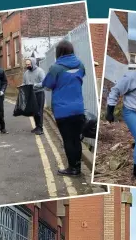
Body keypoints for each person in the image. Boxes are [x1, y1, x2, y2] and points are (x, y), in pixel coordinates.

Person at [42, 40, 87, 177]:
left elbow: (48, 85)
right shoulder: (80, 64)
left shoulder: (56, 68)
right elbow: (81, 76)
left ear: (59, 52)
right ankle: (77, 167)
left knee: (68, 139)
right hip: (78, 108)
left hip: (63, 110)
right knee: (76, 139)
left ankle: (72, 168)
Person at [23, 58, 46, 135]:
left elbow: (44, 82)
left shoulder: (40, 71)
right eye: (26, 64)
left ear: (33, 63)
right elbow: (24, 82)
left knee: (39, 111)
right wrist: (22, 86)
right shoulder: (26, 73)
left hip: (39, 93)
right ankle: (37, 126)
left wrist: (34, 85)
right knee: (34, 111)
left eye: (28, 64)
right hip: (30, 94)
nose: (27, 66)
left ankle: (40, 128)